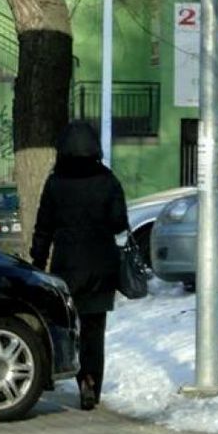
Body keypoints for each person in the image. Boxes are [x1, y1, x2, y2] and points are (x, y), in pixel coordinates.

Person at [30, 120, 128, 412]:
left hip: (67, 265)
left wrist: (37, 259)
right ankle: (91, 382)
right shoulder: (108, 180)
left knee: (69, 325)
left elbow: (43, 226)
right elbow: (119, 222)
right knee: (94, 329)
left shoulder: (55, 182)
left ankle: (73, 374)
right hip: (101, 266)